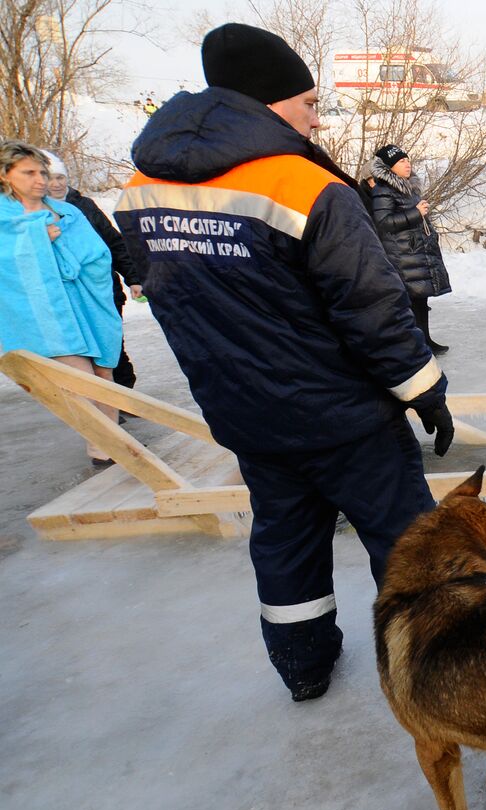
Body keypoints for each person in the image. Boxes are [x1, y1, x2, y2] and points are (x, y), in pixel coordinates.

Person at [113, 23, 454, 702]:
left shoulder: (137, 189)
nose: (316, 117)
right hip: (345, 417)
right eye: (308, 104)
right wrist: (424, 390)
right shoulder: (302, 185)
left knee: (286, 543)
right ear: (268, 104)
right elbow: (372, 307)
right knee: (411, 545)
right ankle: (442, 668)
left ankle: (303, 666)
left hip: (248, 417)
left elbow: (168, 300)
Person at [1, 141, 123, 465]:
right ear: (5, 175)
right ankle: (103, 444)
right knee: (79, 381)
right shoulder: (4, 218)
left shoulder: (68, 211)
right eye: (29, 172)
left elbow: (98, 253)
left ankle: (110, 448)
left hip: (85, 301)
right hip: (44, 314)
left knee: (103, 374)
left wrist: (70, 260)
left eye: (43, 172)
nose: (40, 179)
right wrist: (37, 239)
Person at [43, 150, 142, 390]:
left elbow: (113, 243)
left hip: (104, 290)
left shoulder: (83, 206)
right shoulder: (34, 214)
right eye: (50, 178)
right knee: (84, 353)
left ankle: (124, 396)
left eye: (60, 177)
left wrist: (134, 278)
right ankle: (101, 404)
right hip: (68, 296)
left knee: (111, 345)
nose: (56, 184)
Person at [369, 143, 452, 354]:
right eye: (401, 161)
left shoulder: (407, 187)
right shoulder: (383, 190)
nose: (407, 164)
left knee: (421, 300)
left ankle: (426, 340)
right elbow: (383, 222)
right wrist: (416, 213)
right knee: (411, 302)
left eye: (407, 160)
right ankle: (415, 345)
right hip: (402, 254)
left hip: (415, 251)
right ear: (389, 167)